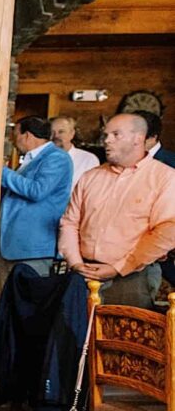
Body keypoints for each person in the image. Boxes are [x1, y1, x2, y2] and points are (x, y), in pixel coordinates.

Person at [57, 112, 175, 308]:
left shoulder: (165, 178)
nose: (107, 141)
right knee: (75, 337)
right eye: (106, 135)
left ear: (138, 138)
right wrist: (77, 264)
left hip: (132, 278)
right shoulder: (90, 177)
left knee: (120, 338)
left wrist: (119, 267)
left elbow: (166, 230)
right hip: (81, 275)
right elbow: (69, 222)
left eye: (116, 135)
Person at [0, 115, 71, 298]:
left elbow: (37, 190)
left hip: (33, 248)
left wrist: (1, 172)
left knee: (28, 306)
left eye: (15, 135)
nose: (14, 141)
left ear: (27, 135)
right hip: (13, 246)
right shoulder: (29, 160)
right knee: (8, 306)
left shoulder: (57, 158)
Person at [51, 114, 99, 186]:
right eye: (52, 132)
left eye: (61, 132)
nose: (56, 136)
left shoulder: (88, 160)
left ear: (72, 133)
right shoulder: (40, 158)